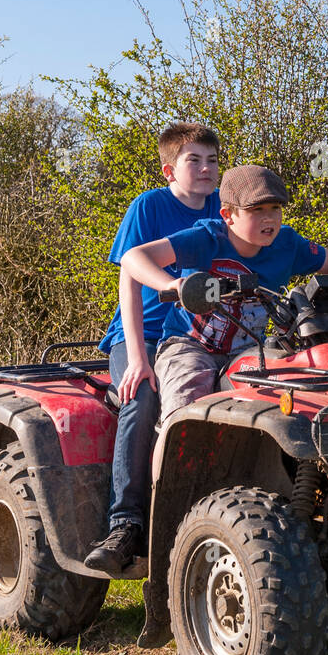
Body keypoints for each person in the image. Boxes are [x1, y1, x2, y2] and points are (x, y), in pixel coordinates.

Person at [120, 163, 328, 427]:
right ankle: (171, 464)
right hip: (190, 347)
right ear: (228, 214)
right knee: (186, 408)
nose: (269, 218)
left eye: (275, 209)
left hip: (251, 351)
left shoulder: (286, 244)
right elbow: (134, 257)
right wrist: (174, 285)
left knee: (294, 394)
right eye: (256, 210)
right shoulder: (206, 238)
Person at [84, 122, 221, 575]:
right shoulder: (149, 206)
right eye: (193, 160)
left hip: (203, 334)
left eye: (213, 160)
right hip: (142, 332)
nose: (205, 169)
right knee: (140, 397)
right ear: (169, 170)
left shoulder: (228, 209)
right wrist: (139, 359)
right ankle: (125, 526)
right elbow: (129, 271)